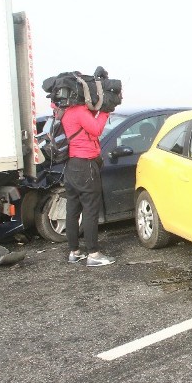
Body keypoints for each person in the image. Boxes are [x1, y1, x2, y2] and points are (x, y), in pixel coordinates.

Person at [62, 103, 114, 267]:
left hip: (71, 164)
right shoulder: (79, 111)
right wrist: (105, 111)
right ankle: (93, 254)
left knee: (72, 209)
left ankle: (74, 252)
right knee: (90, 210)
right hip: (86, 165)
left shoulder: (67, 111)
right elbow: (97, 129)